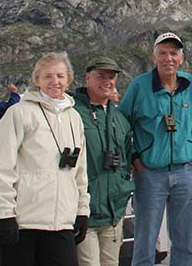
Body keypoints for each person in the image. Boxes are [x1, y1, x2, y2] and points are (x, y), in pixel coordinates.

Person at [0, 52, 90, 266]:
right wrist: (4, 214)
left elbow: (80, 169)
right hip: (22, 221)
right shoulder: (19, 113)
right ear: (37, 80)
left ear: (68, 79)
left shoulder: (74, 117)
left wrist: (82, 209)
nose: (54, 81)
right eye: (47, 76)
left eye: (60, 75)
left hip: (60, 221)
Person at [120, 32, 192, 266]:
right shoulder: (139, 86)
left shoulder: (190, 84)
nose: (169, 59)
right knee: (145, 240)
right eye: (163, 53)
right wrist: (134, 158)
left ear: (182, 58)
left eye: (174, 53)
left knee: (184, 241)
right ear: (154, 57)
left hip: (186, 172)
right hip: (150, 174)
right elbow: (121, 125)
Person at [71, 57, 134, 266]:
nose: (107, 81)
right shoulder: (73, 113)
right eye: (100, 76)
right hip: (84, 212)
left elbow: (126, 157)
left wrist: (124, 187)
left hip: (113, 210)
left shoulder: (119, 118)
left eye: (111, 77)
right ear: (87, 78)